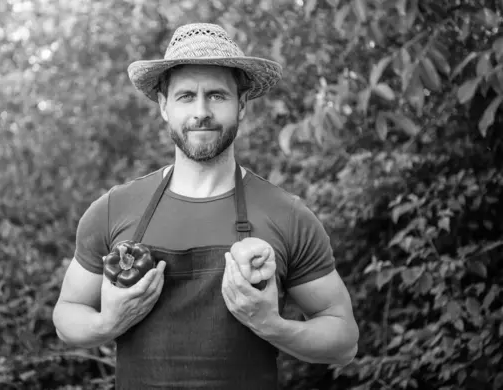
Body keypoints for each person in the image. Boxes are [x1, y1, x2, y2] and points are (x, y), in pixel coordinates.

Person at [52, 23, 359, 389]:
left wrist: (272, 325)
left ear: (241, 105)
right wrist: (109, 323)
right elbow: (66, 316)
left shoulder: (287, 214)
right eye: (185, 97)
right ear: (164, 106)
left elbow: (343, 340)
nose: (201, 111)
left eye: (216, 95)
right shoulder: (114, 209)